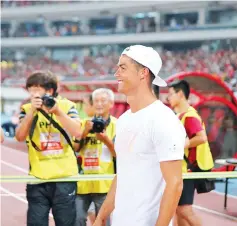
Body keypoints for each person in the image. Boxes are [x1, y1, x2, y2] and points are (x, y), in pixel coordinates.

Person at [93, 45, 186, 226]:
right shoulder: (124, 120)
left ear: (143, 73)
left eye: (123, 68)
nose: (116, 73)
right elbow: (123, 174)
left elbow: (174, 184)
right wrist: (101, 217)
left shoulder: (163, 119)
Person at [15, 71, 81, 226]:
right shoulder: (26, 108)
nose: (33, 93)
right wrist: (32, 111)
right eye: (31, 89)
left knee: (66, 223)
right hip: (37, 177)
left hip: (65, 177)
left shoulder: (67, 105)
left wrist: (57, 111)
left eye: (37, 89)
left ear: (50, 91)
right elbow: (19, 136)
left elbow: (77, 131)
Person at [167, 80, 214, 226]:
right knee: (178, 210)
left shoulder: (190, 116)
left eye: (170, 94)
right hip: (182, 169)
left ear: (180, 94)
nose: (168, 98)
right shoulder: (180, 115)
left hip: (189, 169)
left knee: (184, 210)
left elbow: (201, 138)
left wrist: (183, 144)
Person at [74, 88, 117, 226]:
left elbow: (119, 155)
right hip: (83, 183)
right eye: (96, 101)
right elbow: (75, 148)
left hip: (105, 185)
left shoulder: (117, 125)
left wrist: (106, 140)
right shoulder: (84, 124)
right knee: (77, 219)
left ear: (111, 103)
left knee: (103, 221)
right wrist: (85, 132)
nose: (99, 104)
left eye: (103, 101)